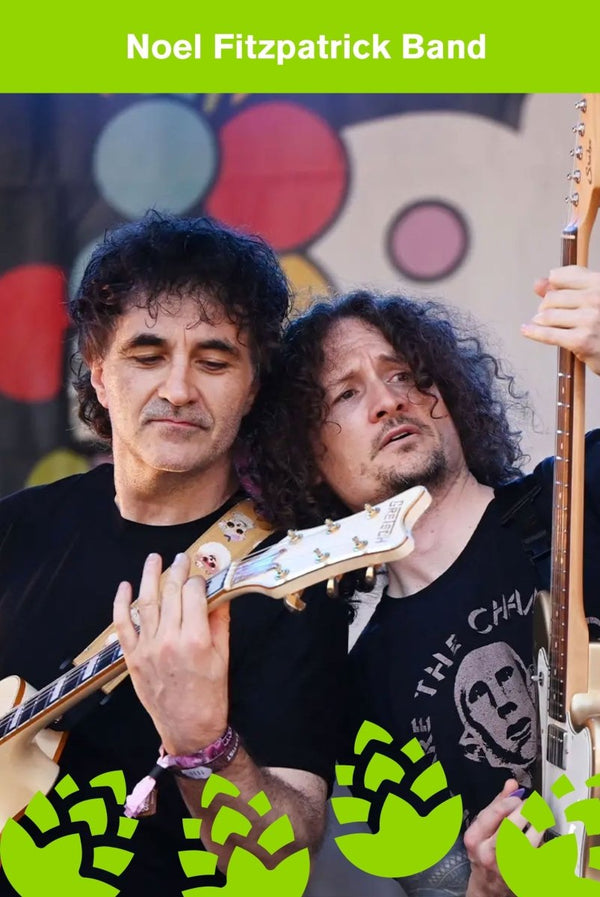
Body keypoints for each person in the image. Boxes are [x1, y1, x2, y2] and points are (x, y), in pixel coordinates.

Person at [0, 212, 348, 894]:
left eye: (214, 361)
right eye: (147, 355)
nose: (180, 389)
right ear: (99, 373)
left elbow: (276, 866)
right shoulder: (16, 530)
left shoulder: (290, 571)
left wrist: (201, 743)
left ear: (252, 387)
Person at [250, 265, 600, 896]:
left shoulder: (577, 495)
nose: (390, 400)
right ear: (306, 456)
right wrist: (485, 887)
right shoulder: (358, 682)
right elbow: (439, 882)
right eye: (346, 395)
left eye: (406, 374)